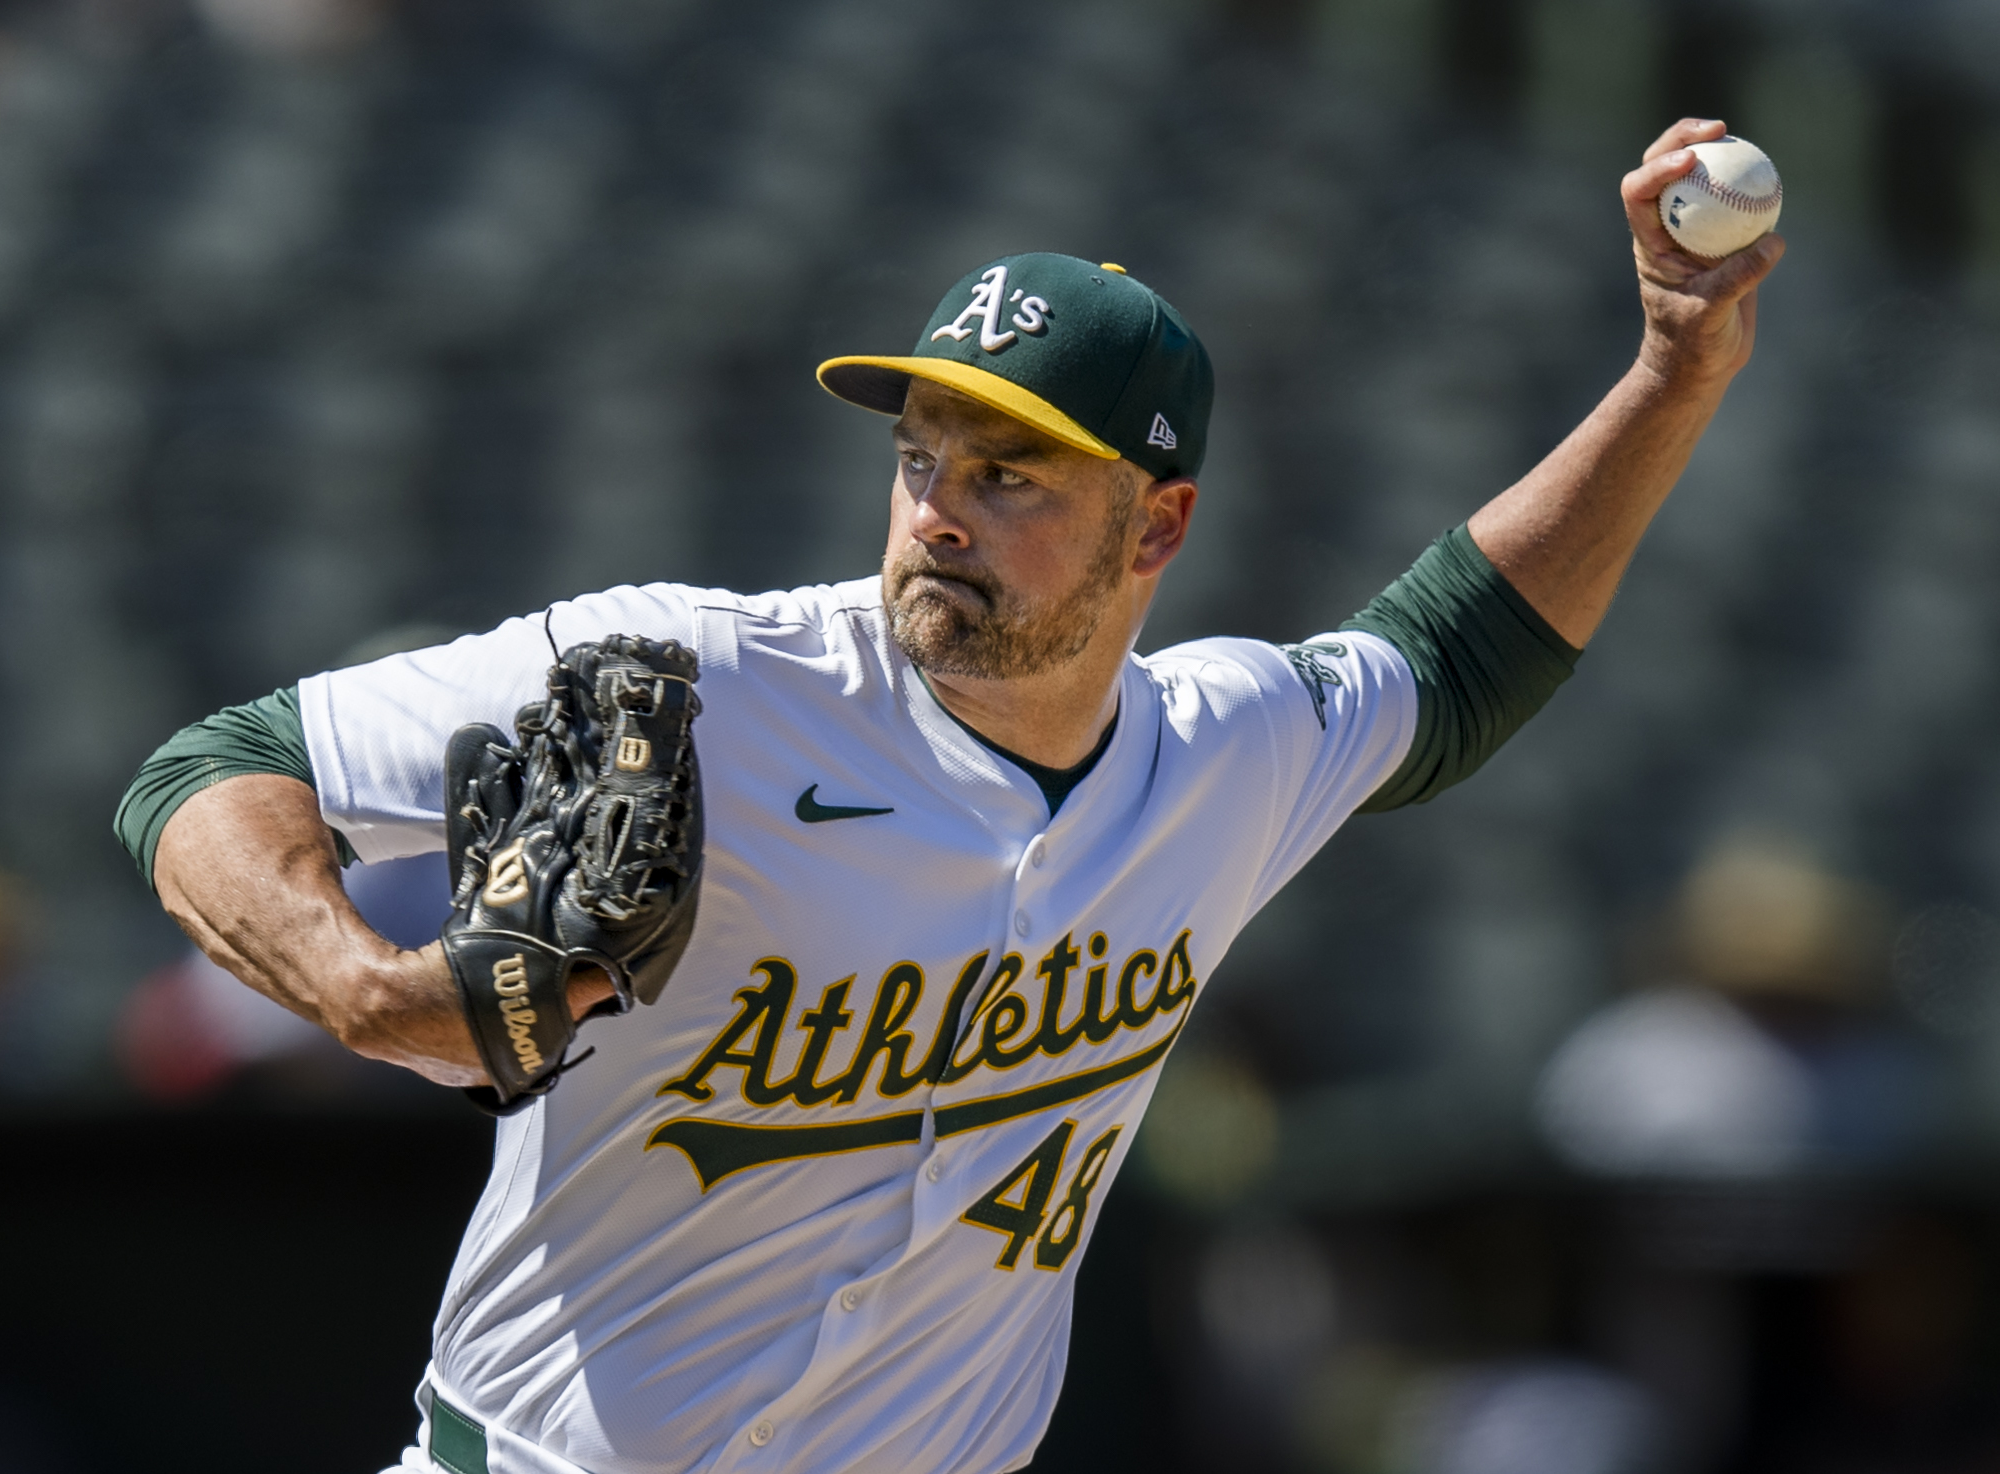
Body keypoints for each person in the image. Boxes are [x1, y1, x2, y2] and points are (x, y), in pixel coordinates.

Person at [116, 120, 1782, 1474]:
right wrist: (360, 985)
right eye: (920, 453)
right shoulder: (701, 680)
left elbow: (1464, 653)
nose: (936, 512)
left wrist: (1673, 372)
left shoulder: (1226, 750)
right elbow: (214, 765)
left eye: (1010, 474)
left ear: (1159, 527)